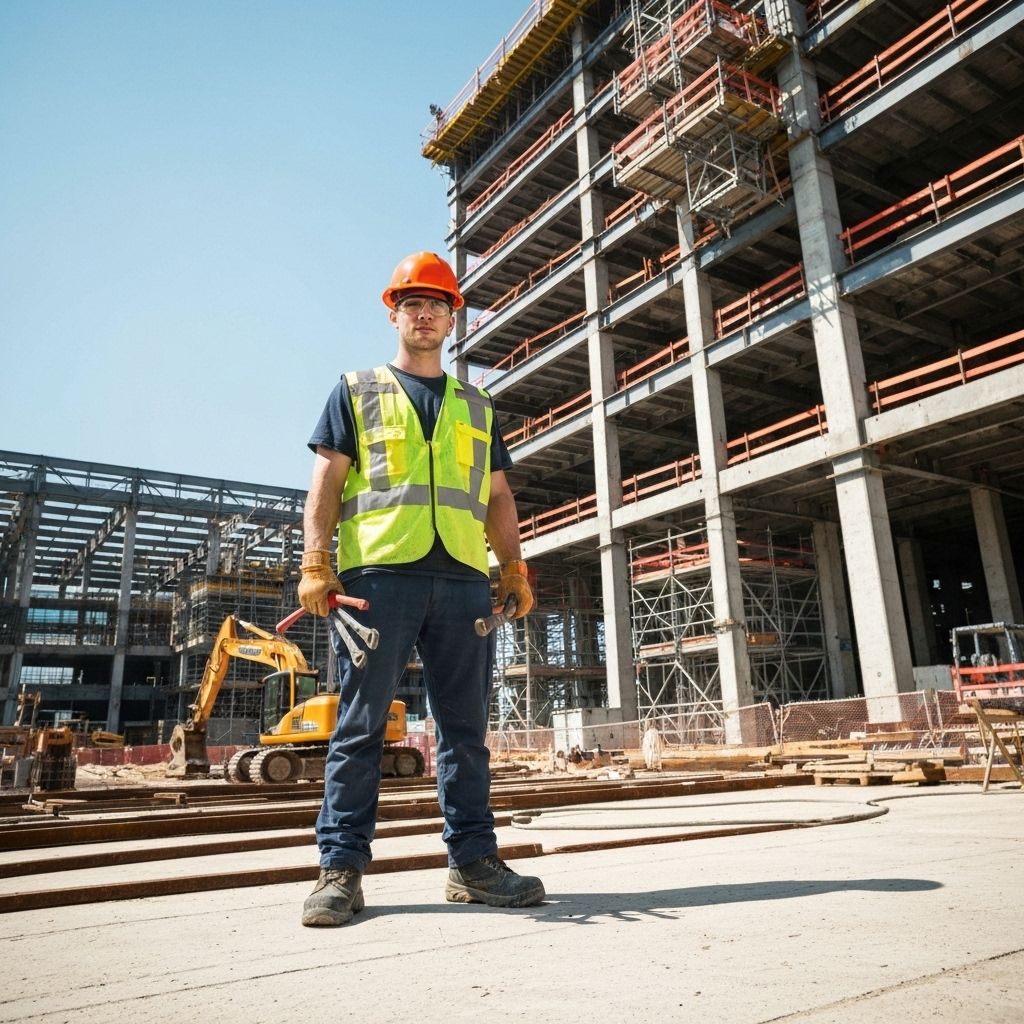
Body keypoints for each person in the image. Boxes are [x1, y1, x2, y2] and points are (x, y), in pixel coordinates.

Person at [297, 251, 544, 927]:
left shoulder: (477, 403)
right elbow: (326, 480)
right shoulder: (356, 389)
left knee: (464, 731)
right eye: (413, 303)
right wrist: (316, 562)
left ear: (451, 317)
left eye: (437, 304)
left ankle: (474, 865)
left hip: (464, 581)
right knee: (359, 728)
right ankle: (340, 870)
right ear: (394, 313)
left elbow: (496, 493)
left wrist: (513, 568)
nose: (425, 313)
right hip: (379, 579)